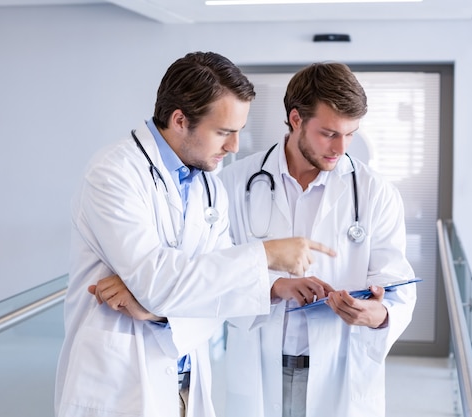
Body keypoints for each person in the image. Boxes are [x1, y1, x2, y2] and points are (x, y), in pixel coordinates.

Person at [53, 51, 335, 417]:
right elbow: (160, 282)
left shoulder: (208, 186)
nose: (234, 147)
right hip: (119, 386)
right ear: (180, 120)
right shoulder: (114, 174)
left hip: (184, 386)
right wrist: (264, 255)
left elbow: (214, 292)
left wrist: (158, 312)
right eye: (223, 132)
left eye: (238, 133)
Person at [216, 62, 417, 417]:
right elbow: (213, 271)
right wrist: (276, 286)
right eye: (329, 133)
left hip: (341, 370)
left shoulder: (375, 192)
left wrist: (379, 313)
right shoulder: (233, 185)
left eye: (351, 134)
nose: (341, 147)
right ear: (296, 119)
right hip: (261, 365)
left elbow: (396, 283)